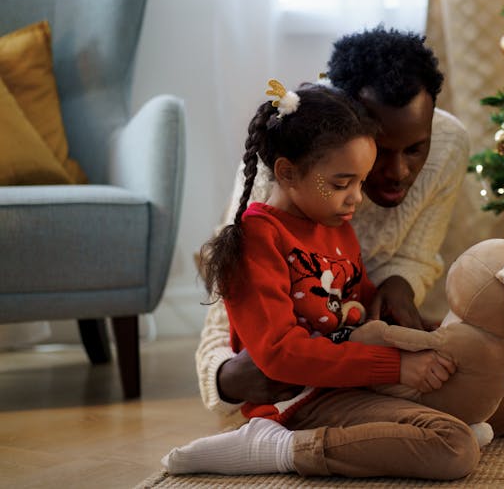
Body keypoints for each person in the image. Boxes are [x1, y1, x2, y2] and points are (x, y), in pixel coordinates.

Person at [196, 27, 504, 438]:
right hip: (305, 369)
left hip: (353, 338)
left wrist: (400, 290)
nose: (399, 172)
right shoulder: (288, 164)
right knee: (444, 437)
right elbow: (232, 297)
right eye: (380, 150)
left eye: (415, 149)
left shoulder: (442, 149)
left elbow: (407, 262)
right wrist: (224, 378)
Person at [162, 80, 481, 479]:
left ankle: (400, 430)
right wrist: (394, 368)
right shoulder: (258, 238)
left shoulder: (334, 225)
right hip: (300, 399)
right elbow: (280, 354)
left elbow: (362, 314)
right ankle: (278, 449)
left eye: (360, 182)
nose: (356, 199)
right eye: (341, 184)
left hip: (348, 380)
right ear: (287, 173)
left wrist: (429, 343)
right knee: (453, 446)